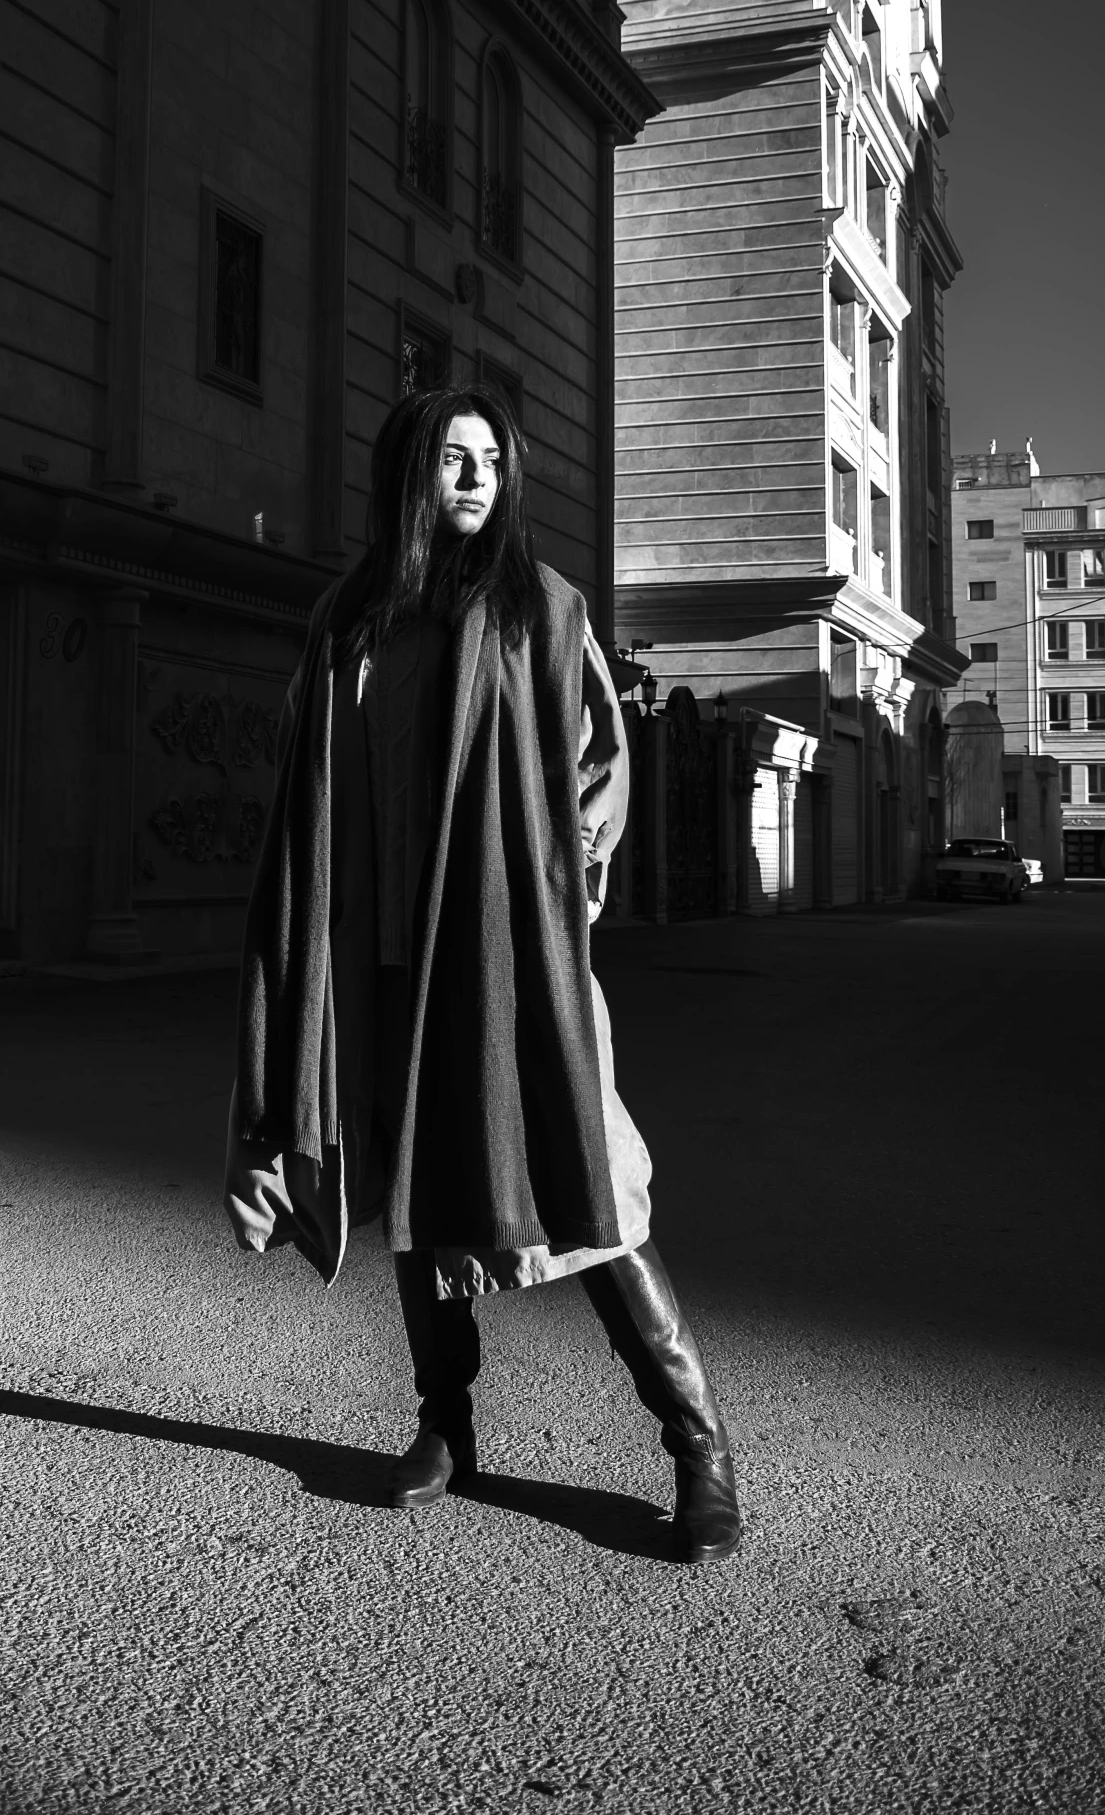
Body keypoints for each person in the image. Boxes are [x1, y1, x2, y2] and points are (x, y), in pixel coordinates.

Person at [224, 387, 741, 1563]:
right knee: (415, 1196)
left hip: (514, 958)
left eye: (491, 460)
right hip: (387, 955)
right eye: (451, 457)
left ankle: (698, 1446)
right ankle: (445, 1425)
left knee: (592, 1185)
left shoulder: (539, 610)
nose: (473, 477)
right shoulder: (347, 618)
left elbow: (601, 762)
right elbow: (311, 774)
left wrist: (564, 883)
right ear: (407, 470)